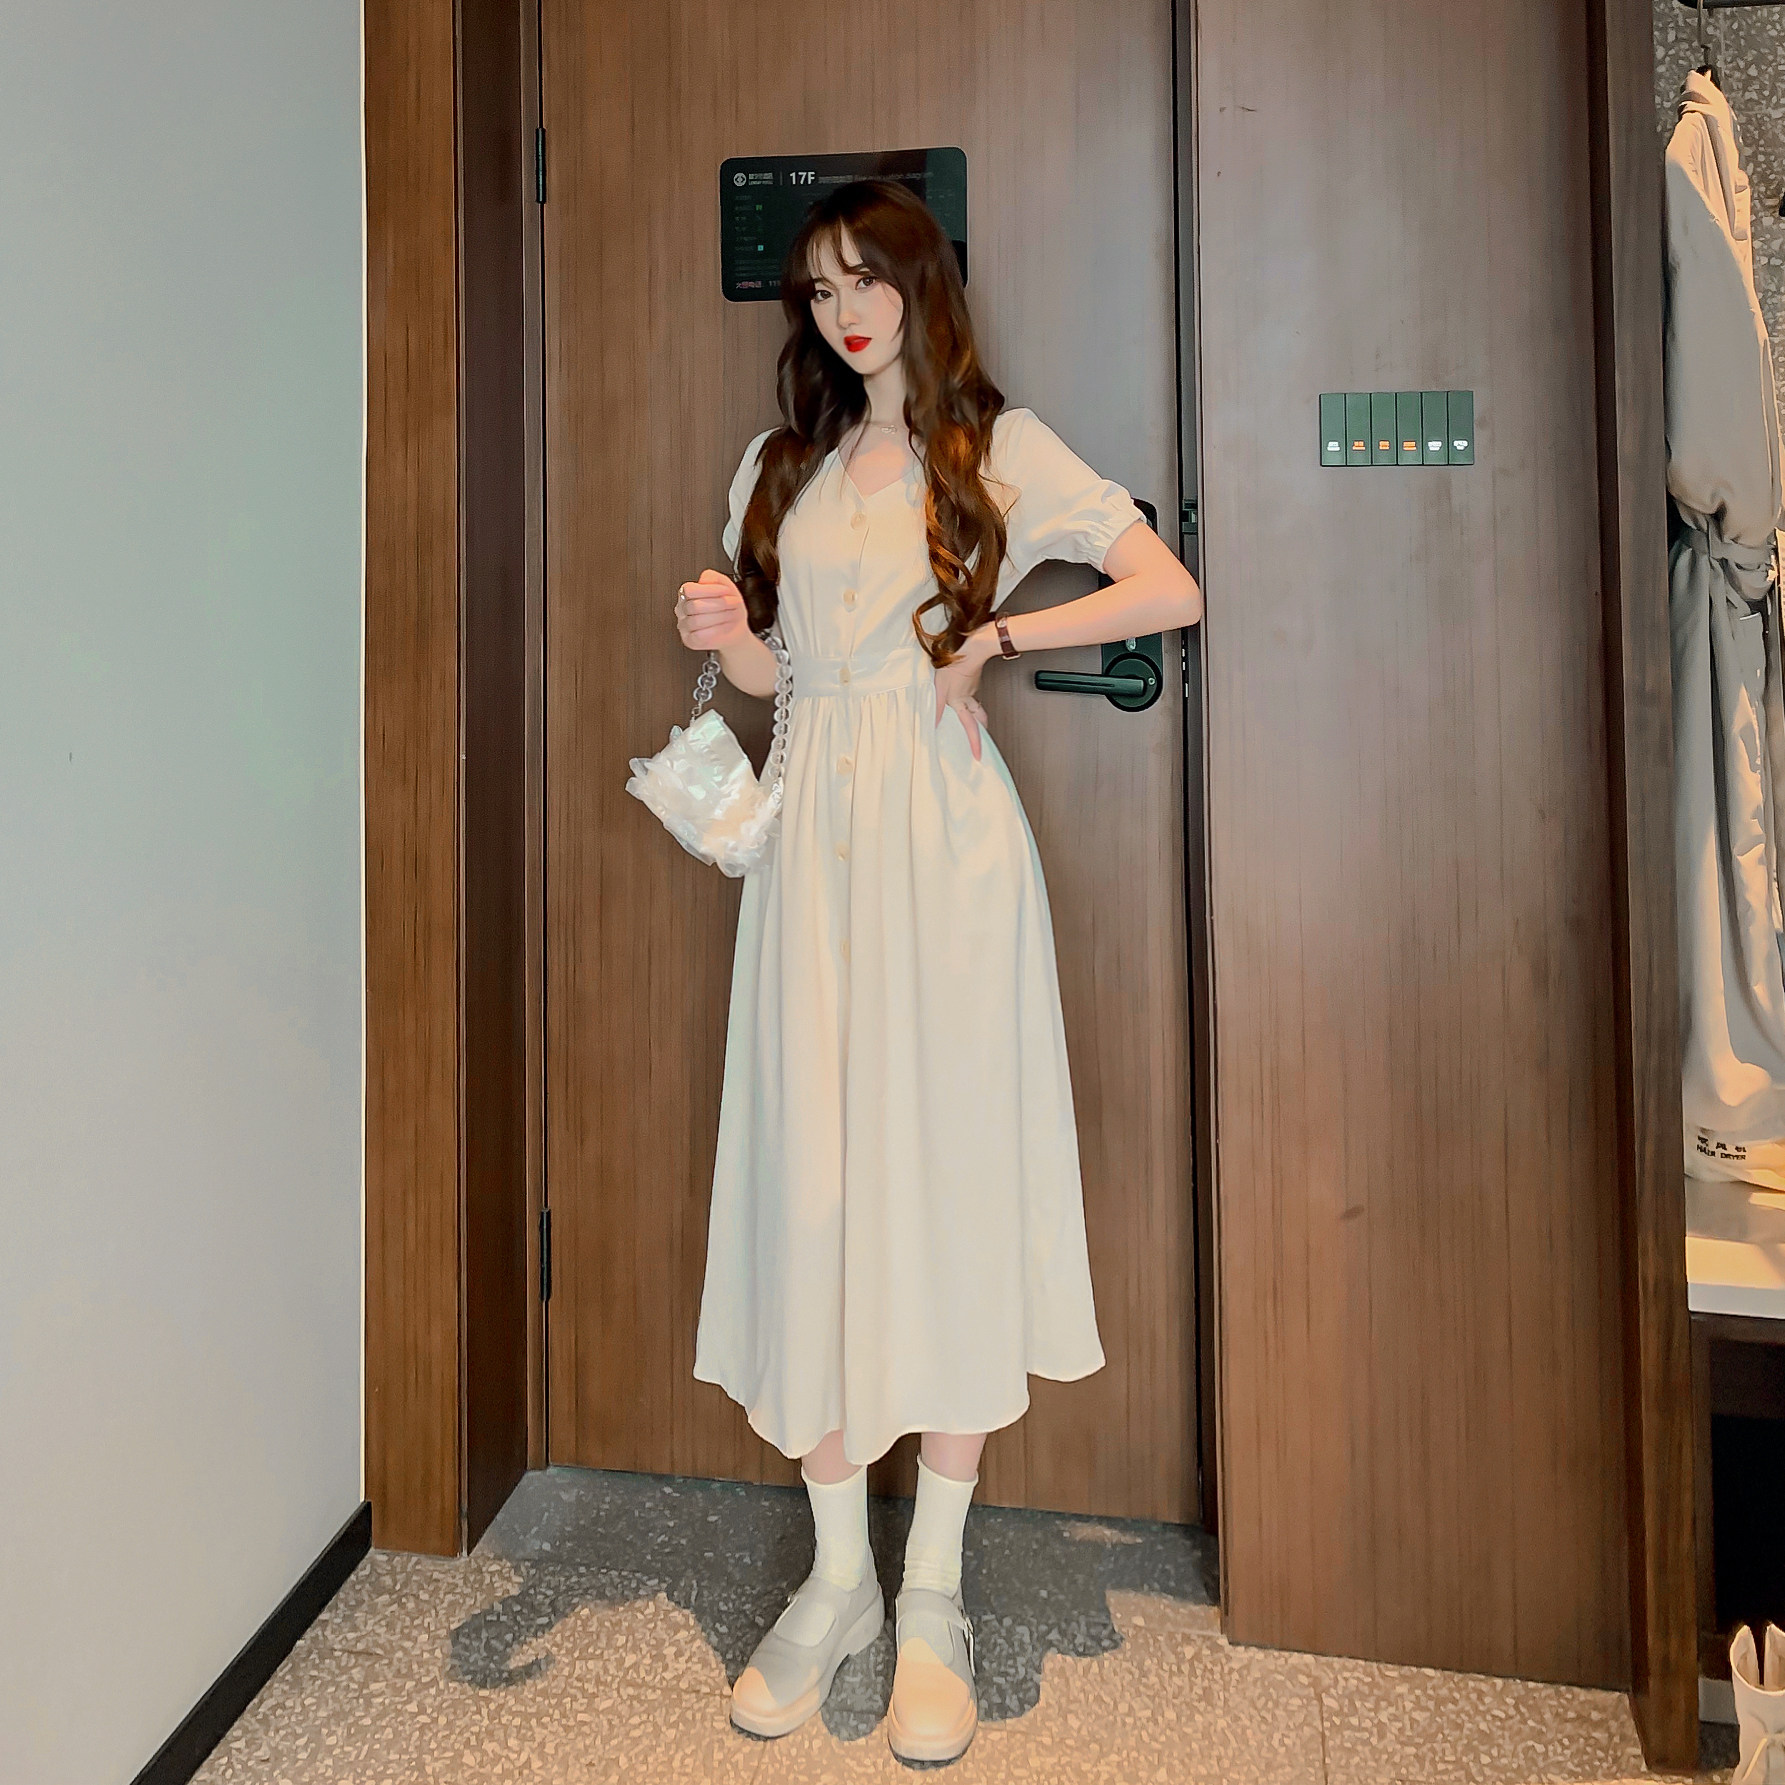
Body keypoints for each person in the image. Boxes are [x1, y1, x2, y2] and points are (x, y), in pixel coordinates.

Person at [671, 179, 1202, 1764]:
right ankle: (836, 1576)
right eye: (820, 289)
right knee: (813, 1185)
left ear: (920, 283)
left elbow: (1166, 586)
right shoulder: (778, 466)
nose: (845, 312)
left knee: (949, 1178)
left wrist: (997, 641)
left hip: (949, 848)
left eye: (868, 280)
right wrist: (723, 624)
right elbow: (776, 676)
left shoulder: (996, 447)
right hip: (810, 851)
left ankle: (933, 1593)